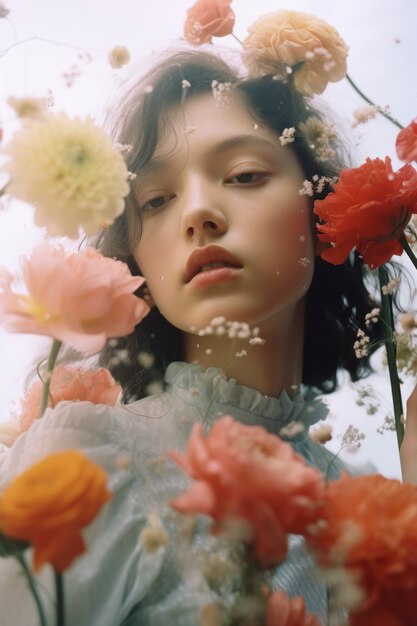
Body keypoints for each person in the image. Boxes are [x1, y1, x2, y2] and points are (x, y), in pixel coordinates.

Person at [0, 46, 415, 626]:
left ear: (317, 203)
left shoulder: (365, 506)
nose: (198, 212)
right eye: (156, 199)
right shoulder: (90, 465)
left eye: (245, 174)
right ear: (134, 253)